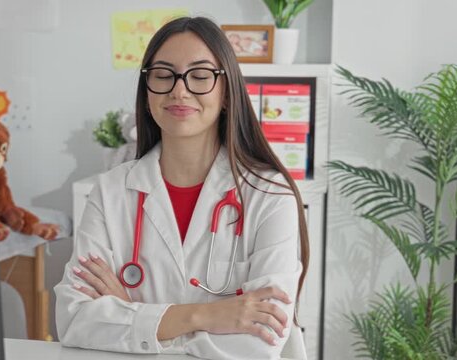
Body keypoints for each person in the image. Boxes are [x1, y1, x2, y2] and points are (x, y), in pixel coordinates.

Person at [55, 16, 310, 360]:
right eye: (163, 75)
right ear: (147, 94)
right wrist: (204, 315)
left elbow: (260, 341)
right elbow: (74, 320)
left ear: (225, 92)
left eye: (200, 76)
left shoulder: (269, 195)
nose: (179, 89)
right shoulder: (111, 191)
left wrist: (133, 316)